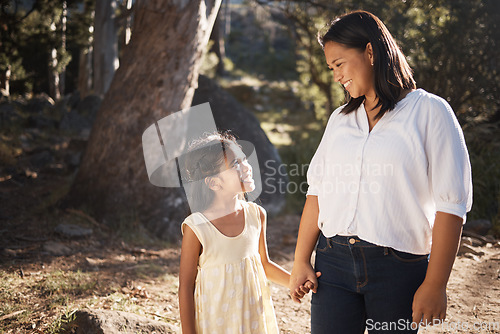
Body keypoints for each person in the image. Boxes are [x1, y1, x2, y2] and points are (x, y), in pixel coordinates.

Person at [289, 10, 472, 334]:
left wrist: (436, 284)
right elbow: (317, 191)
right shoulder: (340, 120)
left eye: (339, 64)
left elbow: (451, 205)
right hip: (332, 265)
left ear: (370, 51)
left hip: (398, 271)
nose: (336, 76)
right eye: (331, 69)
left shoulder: (430, 112)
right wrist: (301, 260)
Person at [178, 132, 290, 334]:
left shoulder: (257, 214)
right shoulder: (197, 227)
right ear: (213, 183)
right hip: (217, 323)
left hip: (253, 319)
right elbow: (185, 287)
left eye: (244, 159)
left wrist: (295, 282)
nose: (247, 167)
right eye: (235, 164)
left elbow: (263, 265)